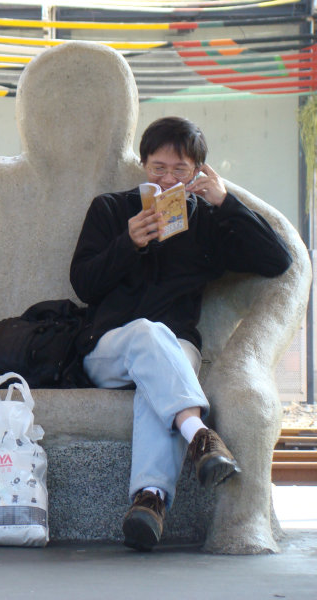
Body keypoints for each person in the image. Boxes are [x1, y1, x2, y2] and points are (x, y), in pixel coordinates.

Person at [69, 116, 292, 552]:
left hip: (177, 351)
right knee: (148, 333)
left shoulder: (208, 222)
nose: (168, 178)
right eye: (158, 169)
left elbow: (276, 260)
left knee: (159, 384)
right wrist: (126, 244)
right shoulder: (111, 210)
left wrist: (226, 202)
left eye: (180, 170)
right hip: (110, 347)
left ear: (198, 172)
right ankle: (201, 437)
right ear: (143, 165)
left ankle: (149, 503)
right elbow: (83, 284)